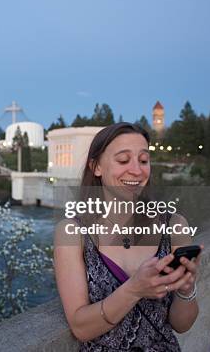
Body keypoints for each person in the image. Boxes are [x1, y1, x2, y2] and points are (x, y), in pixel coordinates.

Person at [54, 122, 202, 351]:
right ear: (96, 167)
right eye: (123, 160)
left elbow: (182, 325)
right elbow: (81, 327)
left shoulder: (174, 226)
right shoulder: (73, 233)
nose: (137, 170)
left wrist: (186, 290)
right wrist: (134, 289)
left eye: (143, 160)